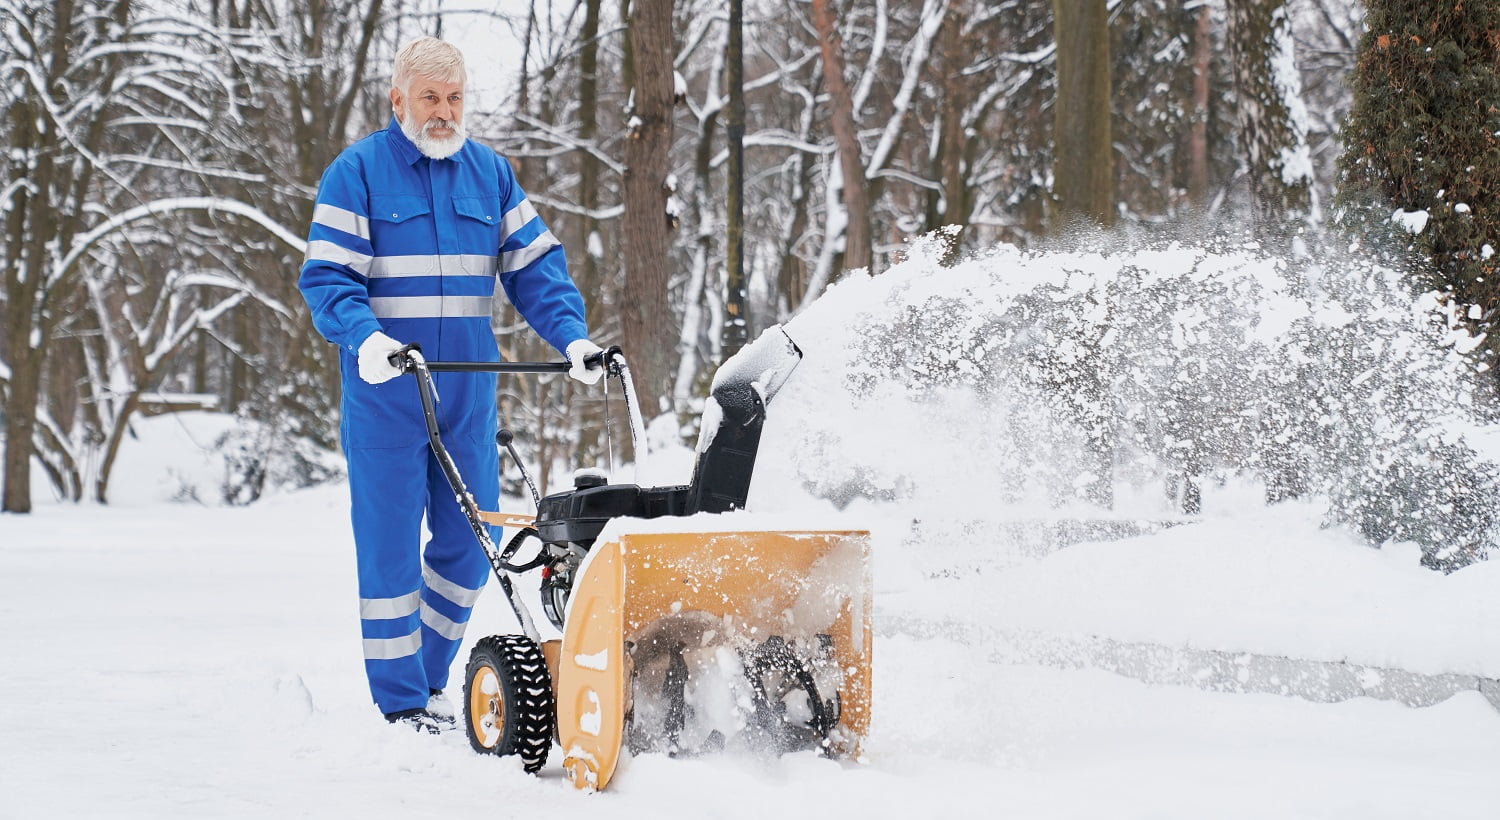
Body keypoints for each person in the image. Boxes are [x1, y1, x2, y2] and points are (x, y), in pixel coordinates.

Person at [298, 36, 603, 733]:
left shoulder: (490, 175)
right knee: (389, 549)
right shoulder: (358, 174)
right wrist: (365, 338)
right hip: (386, 394)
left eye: (455, 98)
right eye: (430, 98)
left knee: (471, 544)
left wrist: (573, 339)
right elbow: (328, 278)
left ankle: (431, 674)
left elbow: (535, 270)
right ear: (397, 99)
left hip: (466, 391)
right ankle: (401, 701)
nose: (444, 112)